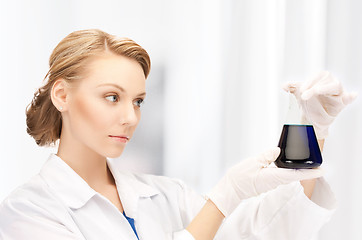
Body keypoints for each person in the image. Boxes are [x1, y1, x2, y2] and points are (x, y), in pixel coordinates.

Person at [0, 29, 356, 240]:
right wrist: (223, 196)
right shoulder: (29, 211)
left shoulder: (166, 195)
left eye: (138, 101)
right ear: (62, 95)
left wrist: (314, 130)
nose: (130, 117)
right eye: (112, 97)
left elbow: (268, 231)